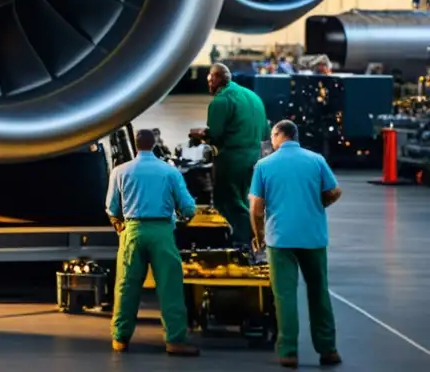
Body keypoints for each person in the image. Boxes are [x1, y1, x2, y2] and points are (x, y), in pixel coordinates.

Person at [250, 120, 342, 369]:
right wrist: (317, 205)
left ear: (280, 135)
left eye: (272, 136)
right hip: (313, 237)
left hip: (280, 239)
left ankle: (289, 352)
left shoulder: (264, 165)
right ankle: (328, 349)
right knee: (319, 292)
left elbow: (256, 208)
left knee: (285, 296)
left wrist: (258, 236)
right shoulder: (316, 160)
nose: (271, 141)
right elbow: (334, 192)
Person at [105, 129, 199, 357]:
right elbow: (188, 207)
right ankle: (175, 341)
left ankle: (120, 338)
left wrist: (120, 225)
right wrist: (184, 216)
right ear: (155, 143)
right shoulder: (170, 172)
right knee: (170, 287)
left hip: (132, 231)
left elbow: (111, 207)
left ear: (136, 145)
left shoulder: (120, 171)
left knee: (126, 285)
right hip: (162, 231)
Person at [190, 63, 269, 246]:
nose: (208, 83)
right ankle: (254, 236)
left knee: (229, 201)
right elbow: (266, 132)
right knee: (248, 199)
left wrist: (199, 134)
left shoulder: (221, 100)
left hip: (232, 159)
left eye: (210, 79)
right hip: (255, 157)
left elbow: (215, 133)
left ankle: (246, 240)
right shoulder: (253, 96)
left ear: (216, 78)